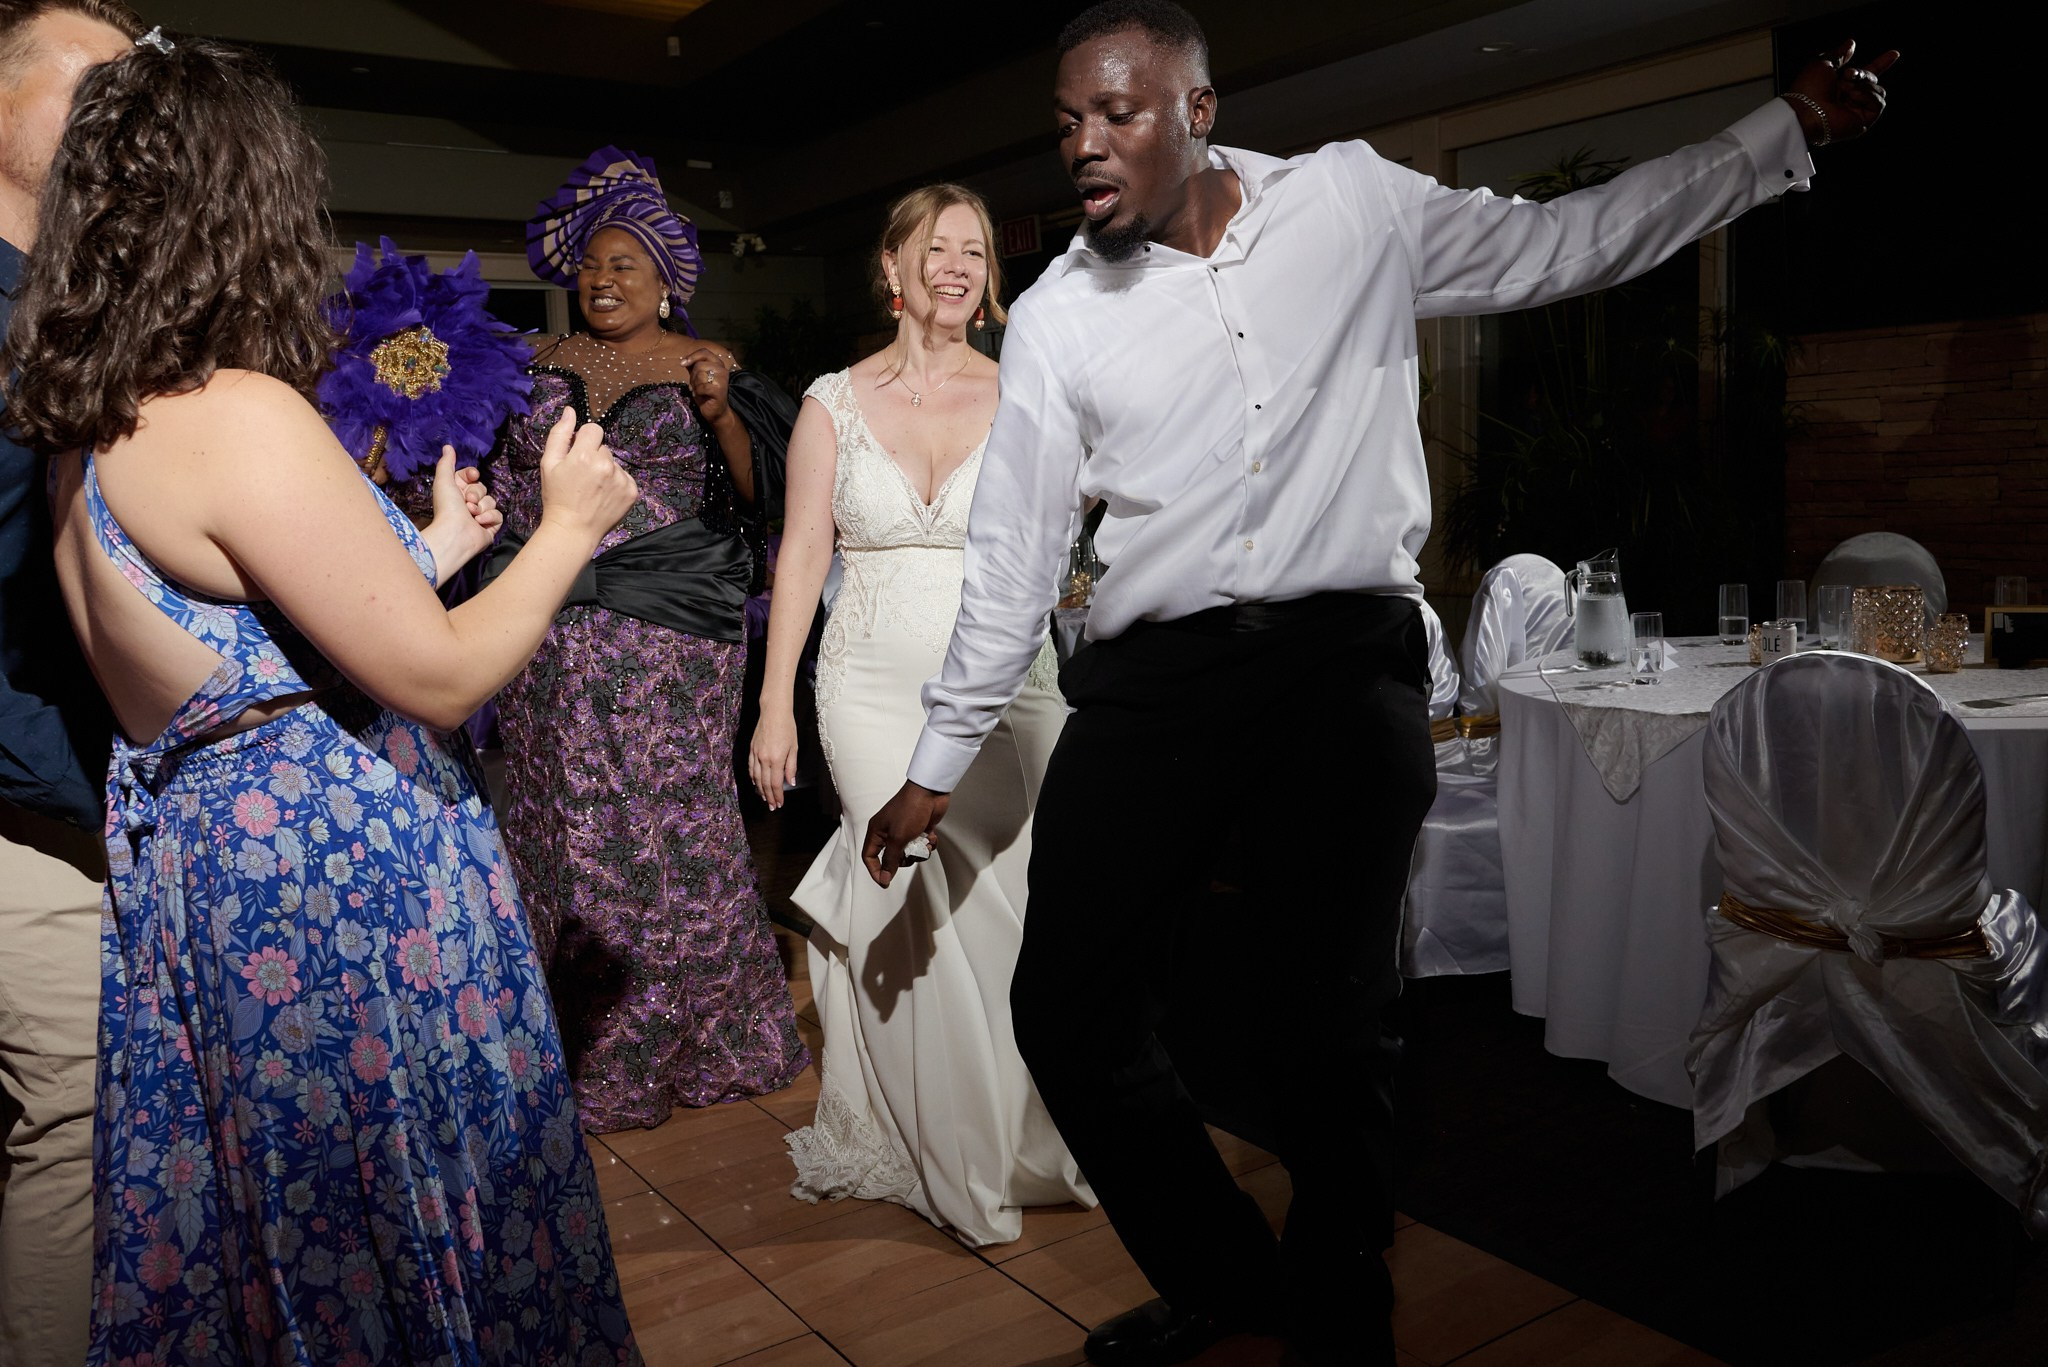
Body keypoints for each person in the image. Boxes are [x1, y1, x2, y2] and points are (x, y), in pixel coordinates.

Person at [860, 3, 1896, 1364]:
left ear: (1200, 109)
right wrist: (937, 759)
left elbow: (1569, 240)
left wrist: (1782, 132)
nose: (1085, 148)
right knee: (1066, 1001)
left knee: (1330, 1016)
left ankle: (1341, 1287)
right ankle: (1233, 1278)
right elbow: (1013, 557)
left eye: (1117, 115)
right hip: (1157, 680)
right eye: (1066, 126)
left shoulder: (1353, 203)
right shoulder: (1055, 317)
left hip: (1339, 664)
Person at [5, 32, 646, 1363]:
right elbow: (445, 670)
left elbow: (234, 658)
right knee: (407, 1241)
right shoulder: (235, 408)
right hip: (340, 905)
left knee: (294, 1255)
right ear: (249, 202)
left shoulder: (88, 428)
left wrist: (431, 556)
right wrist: (568, 527)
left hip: (221, 891)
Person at [747, 185, 1092, 1246]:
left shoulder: (1028, 393)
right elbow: (802, 555)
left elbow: (1064, 544)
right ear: (889, 269)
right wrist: (773, 704)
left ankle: (1012, 1124)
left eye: (975, 251)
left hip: (1005, 683)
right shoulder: (828, 404)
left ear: (991, 280)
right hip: (864, 683)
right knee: (904, 891)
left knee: (1002, 904)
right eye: (933, 247)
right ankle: (949, 1156)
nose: (955, 264)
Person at [491, 147, 809, 1131]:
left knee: (673, 827)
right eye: (590, 263)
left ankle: (697, 1034)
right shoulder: (530, 365)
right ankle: (583, 1041)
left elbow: (770, 501)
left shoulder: (705, 364)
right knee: (562, 824)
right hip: (549, 632)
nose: (602, 278)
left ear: (667, 277)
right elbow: (492, 483)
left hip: (672, 643)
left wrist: (717, 410)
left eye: (625, 263)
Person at [0, 4, 137, 1365]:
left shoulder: (62, 307)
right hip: (22, 809)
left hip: (57, 789)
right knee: (71, 1133)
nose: (121, 113)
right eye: (91, 82)